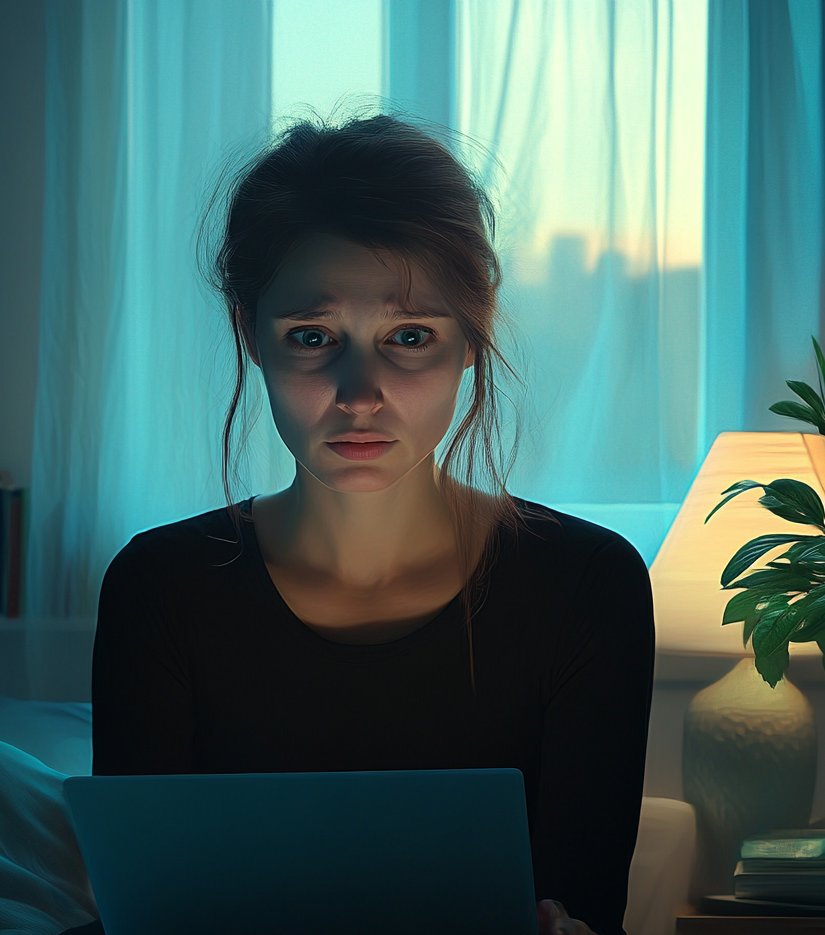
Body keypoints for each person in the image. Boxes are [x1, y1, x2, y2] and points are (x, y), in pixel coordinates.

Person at [65, 114, 655, 935]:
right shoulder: (159, 588)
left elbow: (583, 905)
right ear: (251, 336)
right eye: (313, 337)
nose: (360, 392)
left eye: (408, 336)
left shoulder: (588, 586)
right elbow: (145, 901)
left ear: (470, 339)